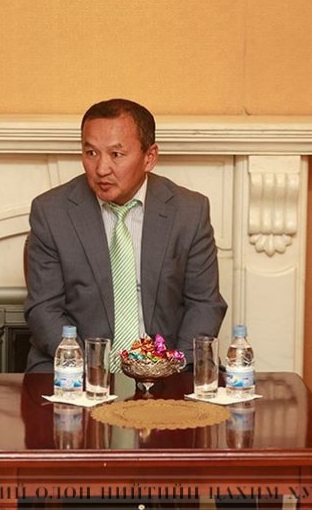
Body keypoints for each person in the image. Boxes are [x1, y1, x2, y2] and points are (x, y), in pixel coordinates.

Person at [25, 97, 226, 372]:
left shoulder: (189, 212)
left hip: (168, 368)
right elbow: (43, 309)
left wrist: (172, 369)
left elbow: (204, 304)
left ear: (149, 157)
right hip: (75, 368)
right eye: (91, 153)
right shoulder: (51, 212)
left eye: (116, 155)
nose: (101, 169)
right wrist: (89, 371)